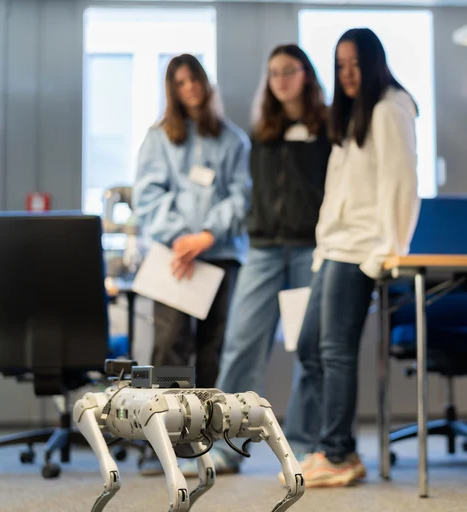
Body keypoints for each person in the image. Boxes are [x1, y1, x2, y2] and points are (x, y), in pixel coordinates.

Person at [291, 27, 420, 488]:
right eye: (340, 65)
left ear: (373, 63)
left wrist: (387, 253)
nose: (347, 74)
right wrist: (323, 247)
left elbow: (402, 183)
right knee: (309, 346)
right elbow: (338, 191)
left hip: (362, 250)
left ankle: (339, 453)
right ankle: (328, 444)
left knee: (336, 351)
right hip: (334, 249)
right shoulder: (350, 117)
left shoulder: (390, 108)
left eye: (355, 64)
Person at [212, 44, 332, 472]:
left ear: (306, 74)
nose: (281, 79)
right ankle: (226, 447)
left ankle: (300, 444)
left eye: (289, 70)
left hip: (308, 249)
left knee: (311, 349)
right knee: (241, 345)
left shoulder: (328, 128)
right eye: (274, 72)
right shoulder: (261, 130)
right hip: (262, 249)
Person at [133, 53, 251, 476]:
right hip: (174, 259)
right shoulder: (159, 137)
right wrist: (183, 236)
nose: (189, 87)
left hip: (220, 256)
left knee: (214, 348)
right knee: (169, 347)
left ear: (204, 82)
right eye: (179, 82)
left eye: (194, 79)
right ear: (173, 89)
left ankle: (210, 444)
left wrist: (207, 235)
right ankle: (166, 442)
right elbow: (148, 196)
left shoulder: (234, 139)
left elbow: (241, 197)